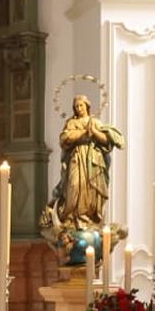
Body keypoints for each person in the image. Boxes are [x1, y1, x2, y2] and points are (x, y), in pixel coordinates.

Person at [49, 95, 124, 232]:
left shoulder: (95, 122)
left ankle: (88, 217)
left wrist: (94, 132)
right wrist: (84, 133)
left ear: (87, 106)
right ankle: (71, 216)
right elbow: (65, 138)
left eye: (81, 105)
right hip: (77, 159)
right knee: (74, 185)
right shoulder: (71, 123)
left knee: (91, 188)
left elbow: (106, 140)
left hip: (93, 160)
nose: (79, 108)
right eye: (76, 106)